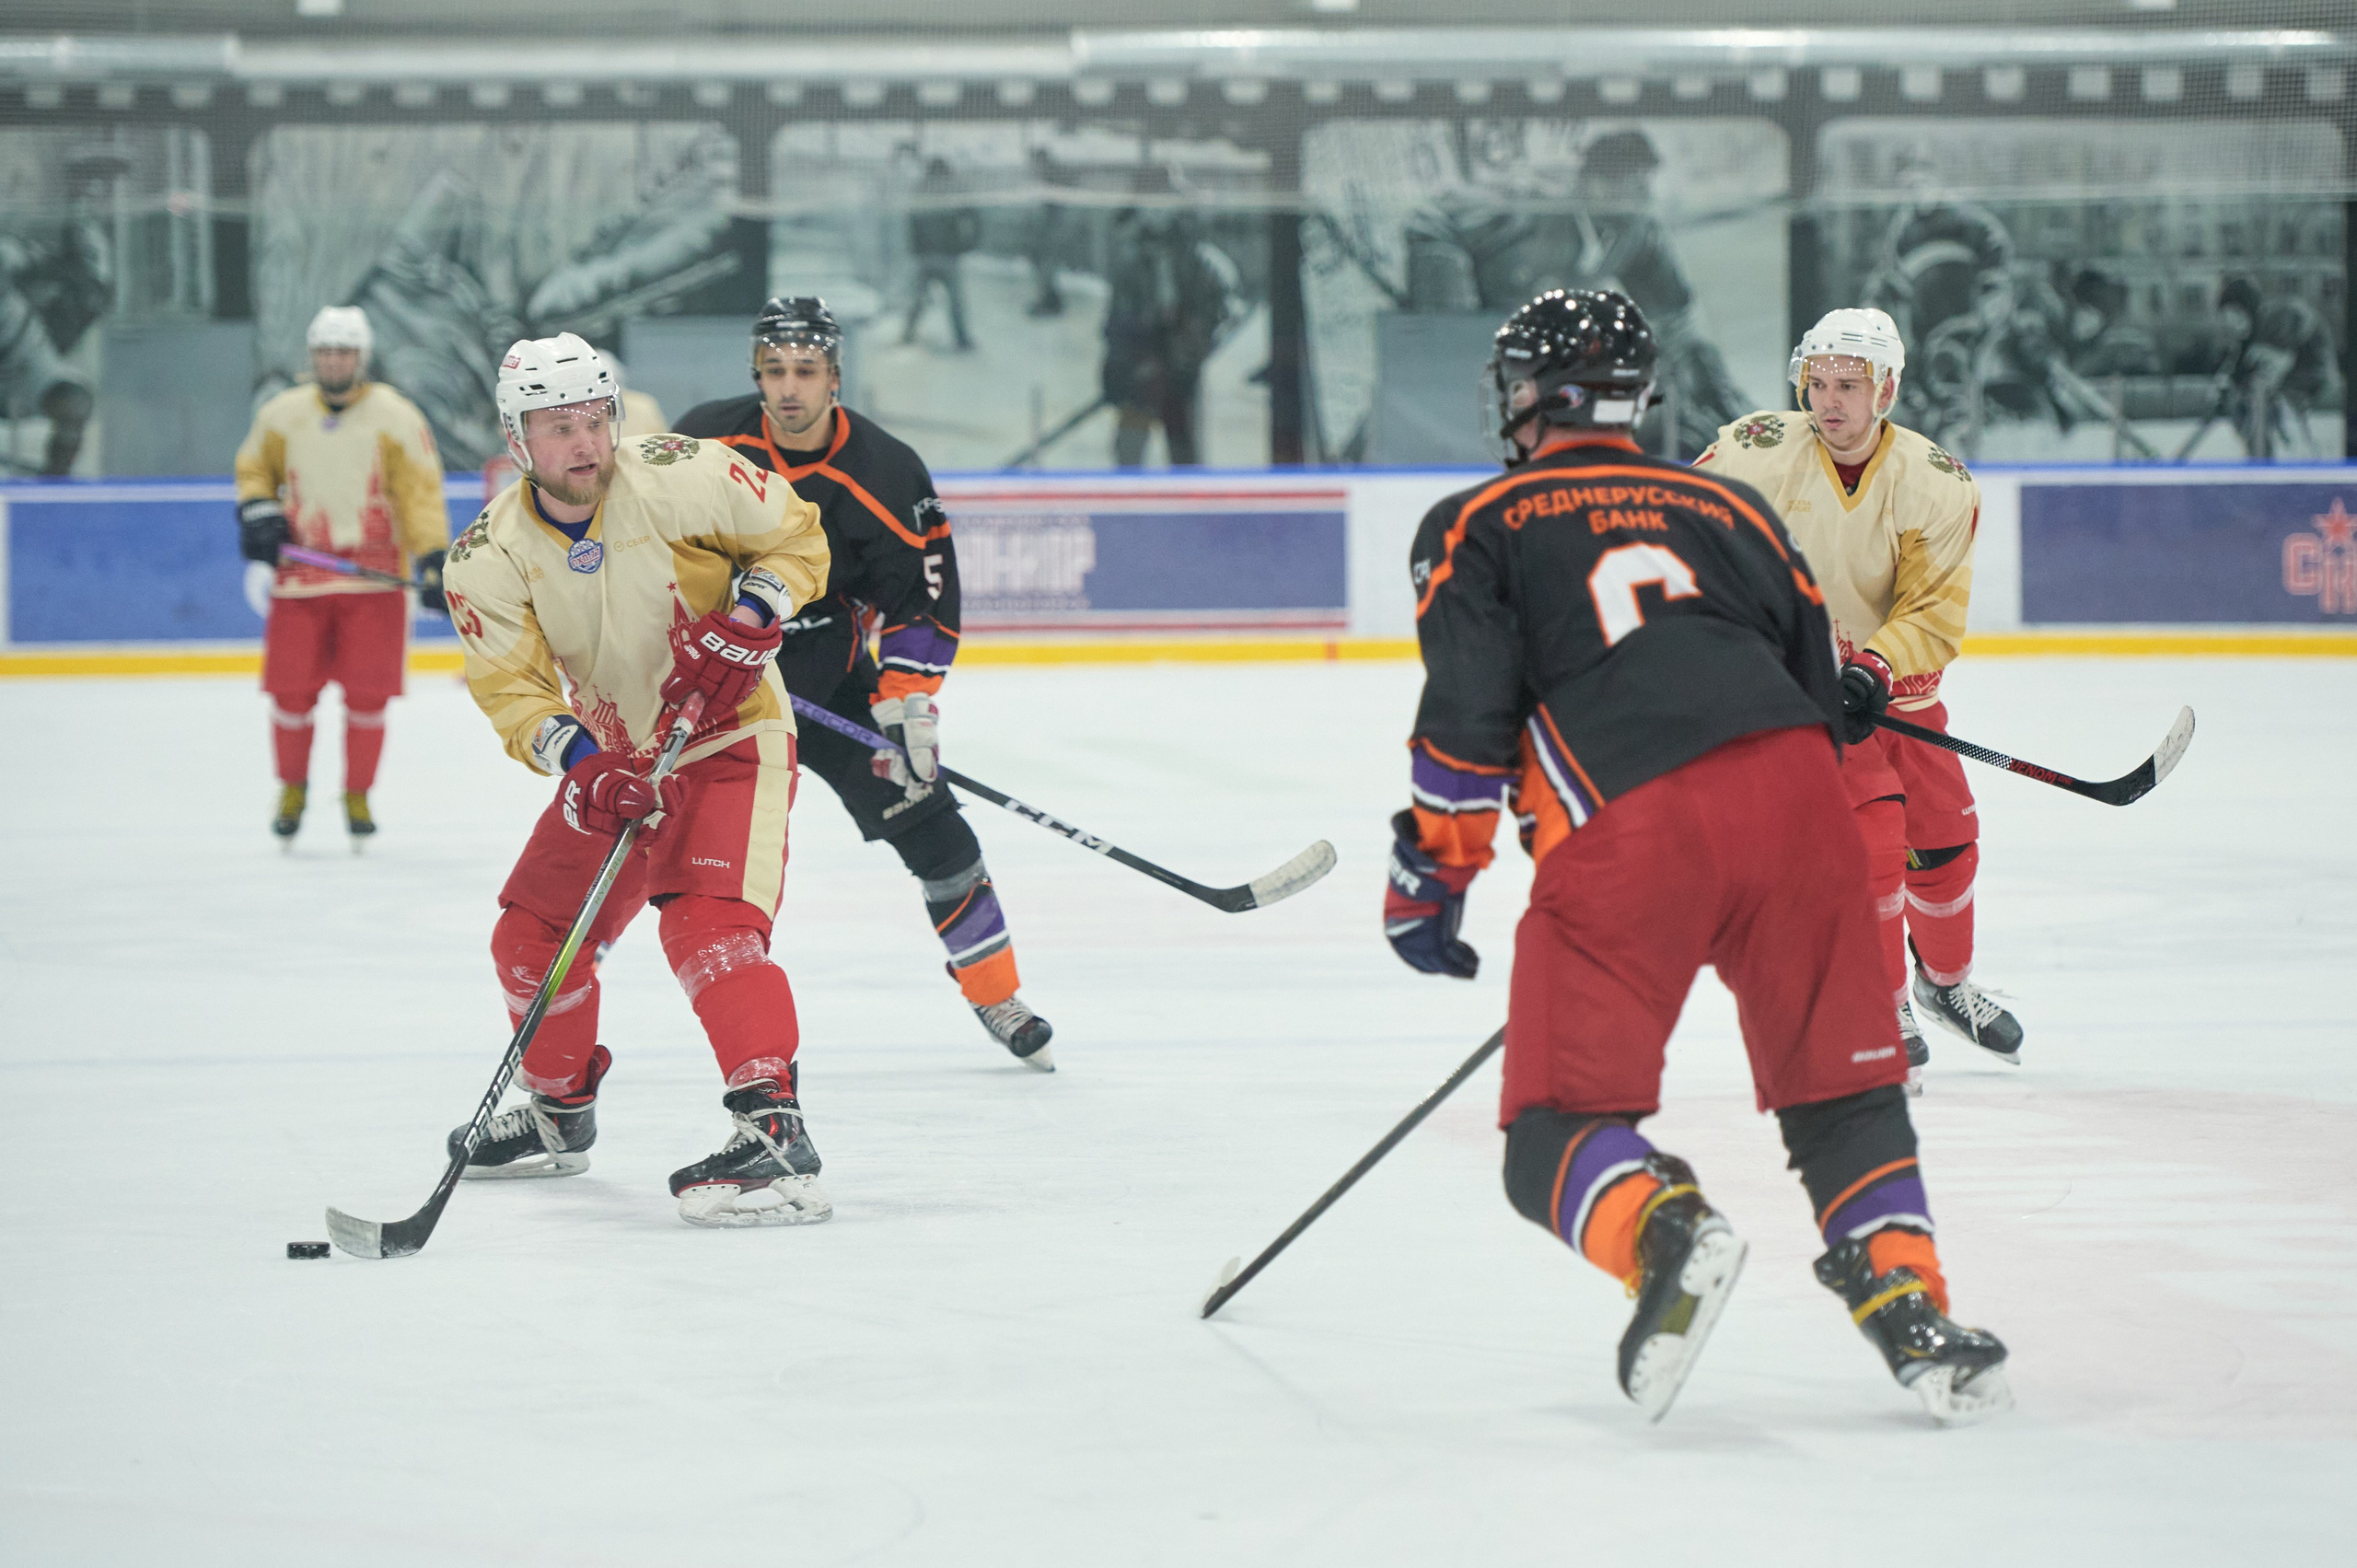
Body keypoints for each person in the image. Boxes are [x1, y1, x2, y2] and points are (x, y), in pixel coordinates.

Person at [1387, 287, 2011, 1425]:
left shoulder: (1475, 522)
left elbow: (1466, 724)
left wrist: (1430, 876)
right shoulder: (1731, 507)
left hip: (1631, 830)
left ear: (1526, 397)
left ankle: (1663, 1230)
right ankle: (1911, 1306)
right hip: (1804, 818)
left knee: (1551, 1133)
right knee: (1845, 1096)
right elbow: (1814, 685)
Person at [439, 333, 836, 1228]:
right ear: (516, 440)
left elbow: (795, 537)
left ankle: (773, 1128)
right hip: (616, 761)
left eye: (595, 420)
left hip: (730, 736)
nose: (585, 443)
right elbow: (513, 690)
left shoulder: (680, 472)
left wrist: (754, 610)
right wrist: (583, 766)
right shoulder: (485, 554)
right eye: (558, 428)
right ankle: (558, 1108)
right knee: (529, 937)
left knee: (708, 923)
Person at [675, 297, 1056, 1068]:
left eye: (806, 370)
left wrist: (906, 698)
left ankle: (996, 992)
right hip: (716, 692)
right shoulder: (702, 444)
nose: (789, 387)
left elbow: (921, 597)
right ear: (756, 374)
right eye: (775, 370)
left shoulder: (885, 468)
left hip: (831, 688)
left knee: (939, 833)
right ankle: (564, 992)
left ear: (835, 377)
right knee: (646, 833)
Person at [1697, 308, 2025, 1086]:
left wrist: (1875, 666)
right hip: (1798, 698)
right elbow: (1686, 539)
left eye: (1849, 384)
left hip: (1897, 698)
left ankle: (1943, 986)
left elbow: (1933, 609)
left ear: (1887, 390)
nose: (1830, 400)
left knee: (1945, 844)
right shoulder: (1753, 454)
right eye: (1819, 382)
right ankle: (1880, 1006)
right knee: (1871, 846)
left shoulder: (1935, 484)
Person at [233, 306, 447, 846]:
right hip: (300, 578)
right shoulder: (282, 414)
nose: (333, 361)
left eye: (344, 352)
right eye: (325, 352)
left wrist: (431, 554)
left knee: (368, 698)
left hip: (374, 583)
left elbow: (419, 490)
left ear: (361, 356)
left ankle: (358, 794)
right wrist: (258, 510)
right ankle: (292, 788)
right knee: (290, 695)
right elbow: (254, 469)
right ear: (313, 356)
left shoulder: (396, 416)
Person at [1101, 175, 1237, 467]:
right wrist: (1121, 369)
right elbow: (1116, 321)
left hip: (1179, 375)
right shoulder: (1129, 257)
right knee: (1128, 458)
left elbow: (1221, 310)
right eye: (1148, 204)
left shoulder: (1195, 258)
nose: (1156, 212)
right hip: (1137, 374)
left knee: (1184, 459)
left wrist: (1193, 345)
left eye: (1163, 203)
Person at [2211, 274, 2342, 459]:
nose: (2232, 325)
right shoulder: (2249, 339)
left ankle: (2271, 453)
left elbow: (2276, 364)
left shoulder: (2275, 316)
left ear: (2247, 309)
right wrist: (2228, 385)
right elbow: (2234, 371)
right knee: (2252, 393)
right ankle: (2263, 452)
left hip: (2314, 378)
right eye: (2227, 320)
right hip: (2294, 383)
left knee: (2260, 388)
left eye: (2236, 317)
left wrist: (2242, 378)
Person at [900, 157, 978, 353]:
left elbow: (911, 222)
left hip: (931, 255)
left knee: (920, 299)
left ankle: (909, 334)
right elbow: (972, 215)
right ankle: (961, 339)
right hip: (945, 255)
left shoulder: (923, 188)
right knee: (952, 301)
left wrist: (916, 248)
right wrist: (967, 244)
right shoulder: (952, 190)